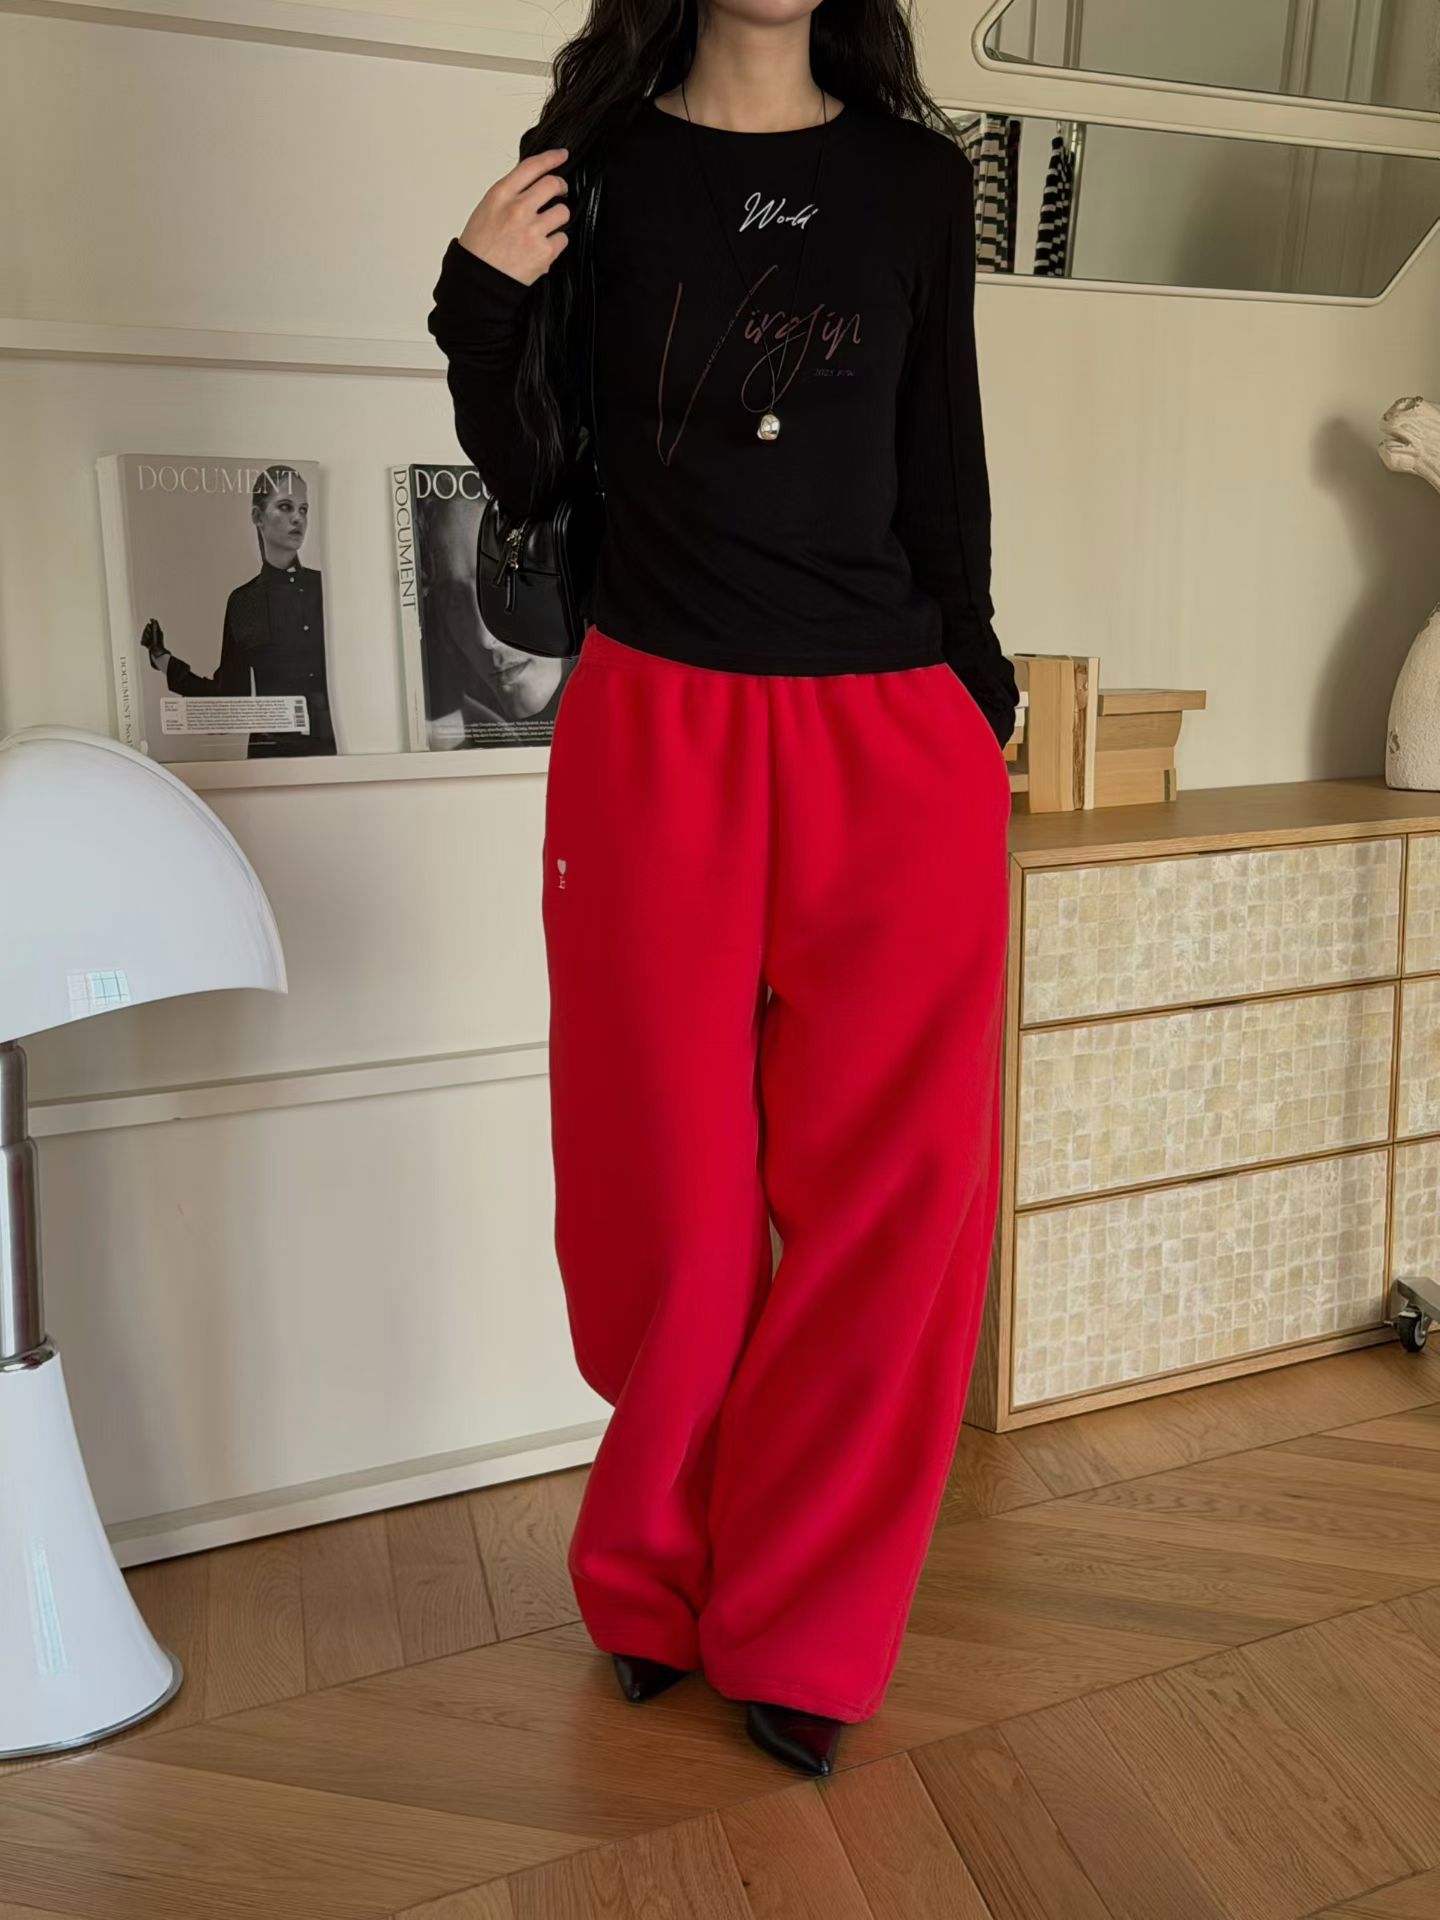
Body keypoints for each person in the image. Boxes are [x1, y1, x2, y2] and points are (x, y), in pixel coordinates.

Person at [426, 0, 1017, 1780]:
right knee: (664, 1203)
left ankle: (807, 1623)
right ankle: (651, 1580)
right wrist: (477, 305)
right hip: (657, 728)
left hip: (890, 735)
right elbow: (538, 476)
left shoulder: (917, 183)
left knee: (891, 1206)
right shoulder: (597, 171)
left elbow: (941, 457)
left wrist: (976, 688)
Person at [143, 463, 335, 758]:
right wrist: (164, 661)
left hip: (335, 756)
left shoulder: (328, 587)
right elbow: (228, 702)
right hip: (270, 761)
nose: (298, 518)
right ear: (258, 516)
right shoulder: (244, 602)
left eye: (304, 509)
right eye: (285, 507)